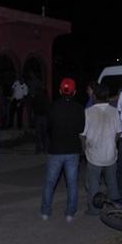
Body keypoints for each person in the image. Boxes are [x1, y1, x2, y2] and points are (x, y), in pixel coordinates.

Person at [40, 78, 85, 222]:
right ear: (74, 92)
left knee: (49, 182)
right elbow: (82, 129)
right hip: (72, 149)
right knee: (72, 183)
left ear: (60, 91)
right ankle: (70, 214)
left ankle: (46, 212)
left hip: (55, 150)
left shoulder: (53, 107)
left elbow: (48, 127)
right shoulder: (79, 108)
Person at [81, 83, 122, 215]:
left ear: (94, 96)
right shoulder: (114, 111)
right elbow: (119, 132)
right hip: (110, 154)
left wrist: (85, 148)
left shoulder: (88, 112)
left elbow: (82, 134)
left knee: (93, 184)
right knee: (112, 183)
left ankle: (94, 210)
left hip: (94, 155)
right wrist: (112, 143)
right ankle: (116, 208)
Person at [32, 87, 50, 154]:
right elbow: (48, 107)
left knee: (38, 134)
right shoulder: (46, 98)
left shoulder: (36, 97)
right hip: (44, 117)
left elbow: (33, 106)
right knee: (45, 134)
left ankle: (38, 149)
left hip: (38, 117)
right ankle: (45, 149)